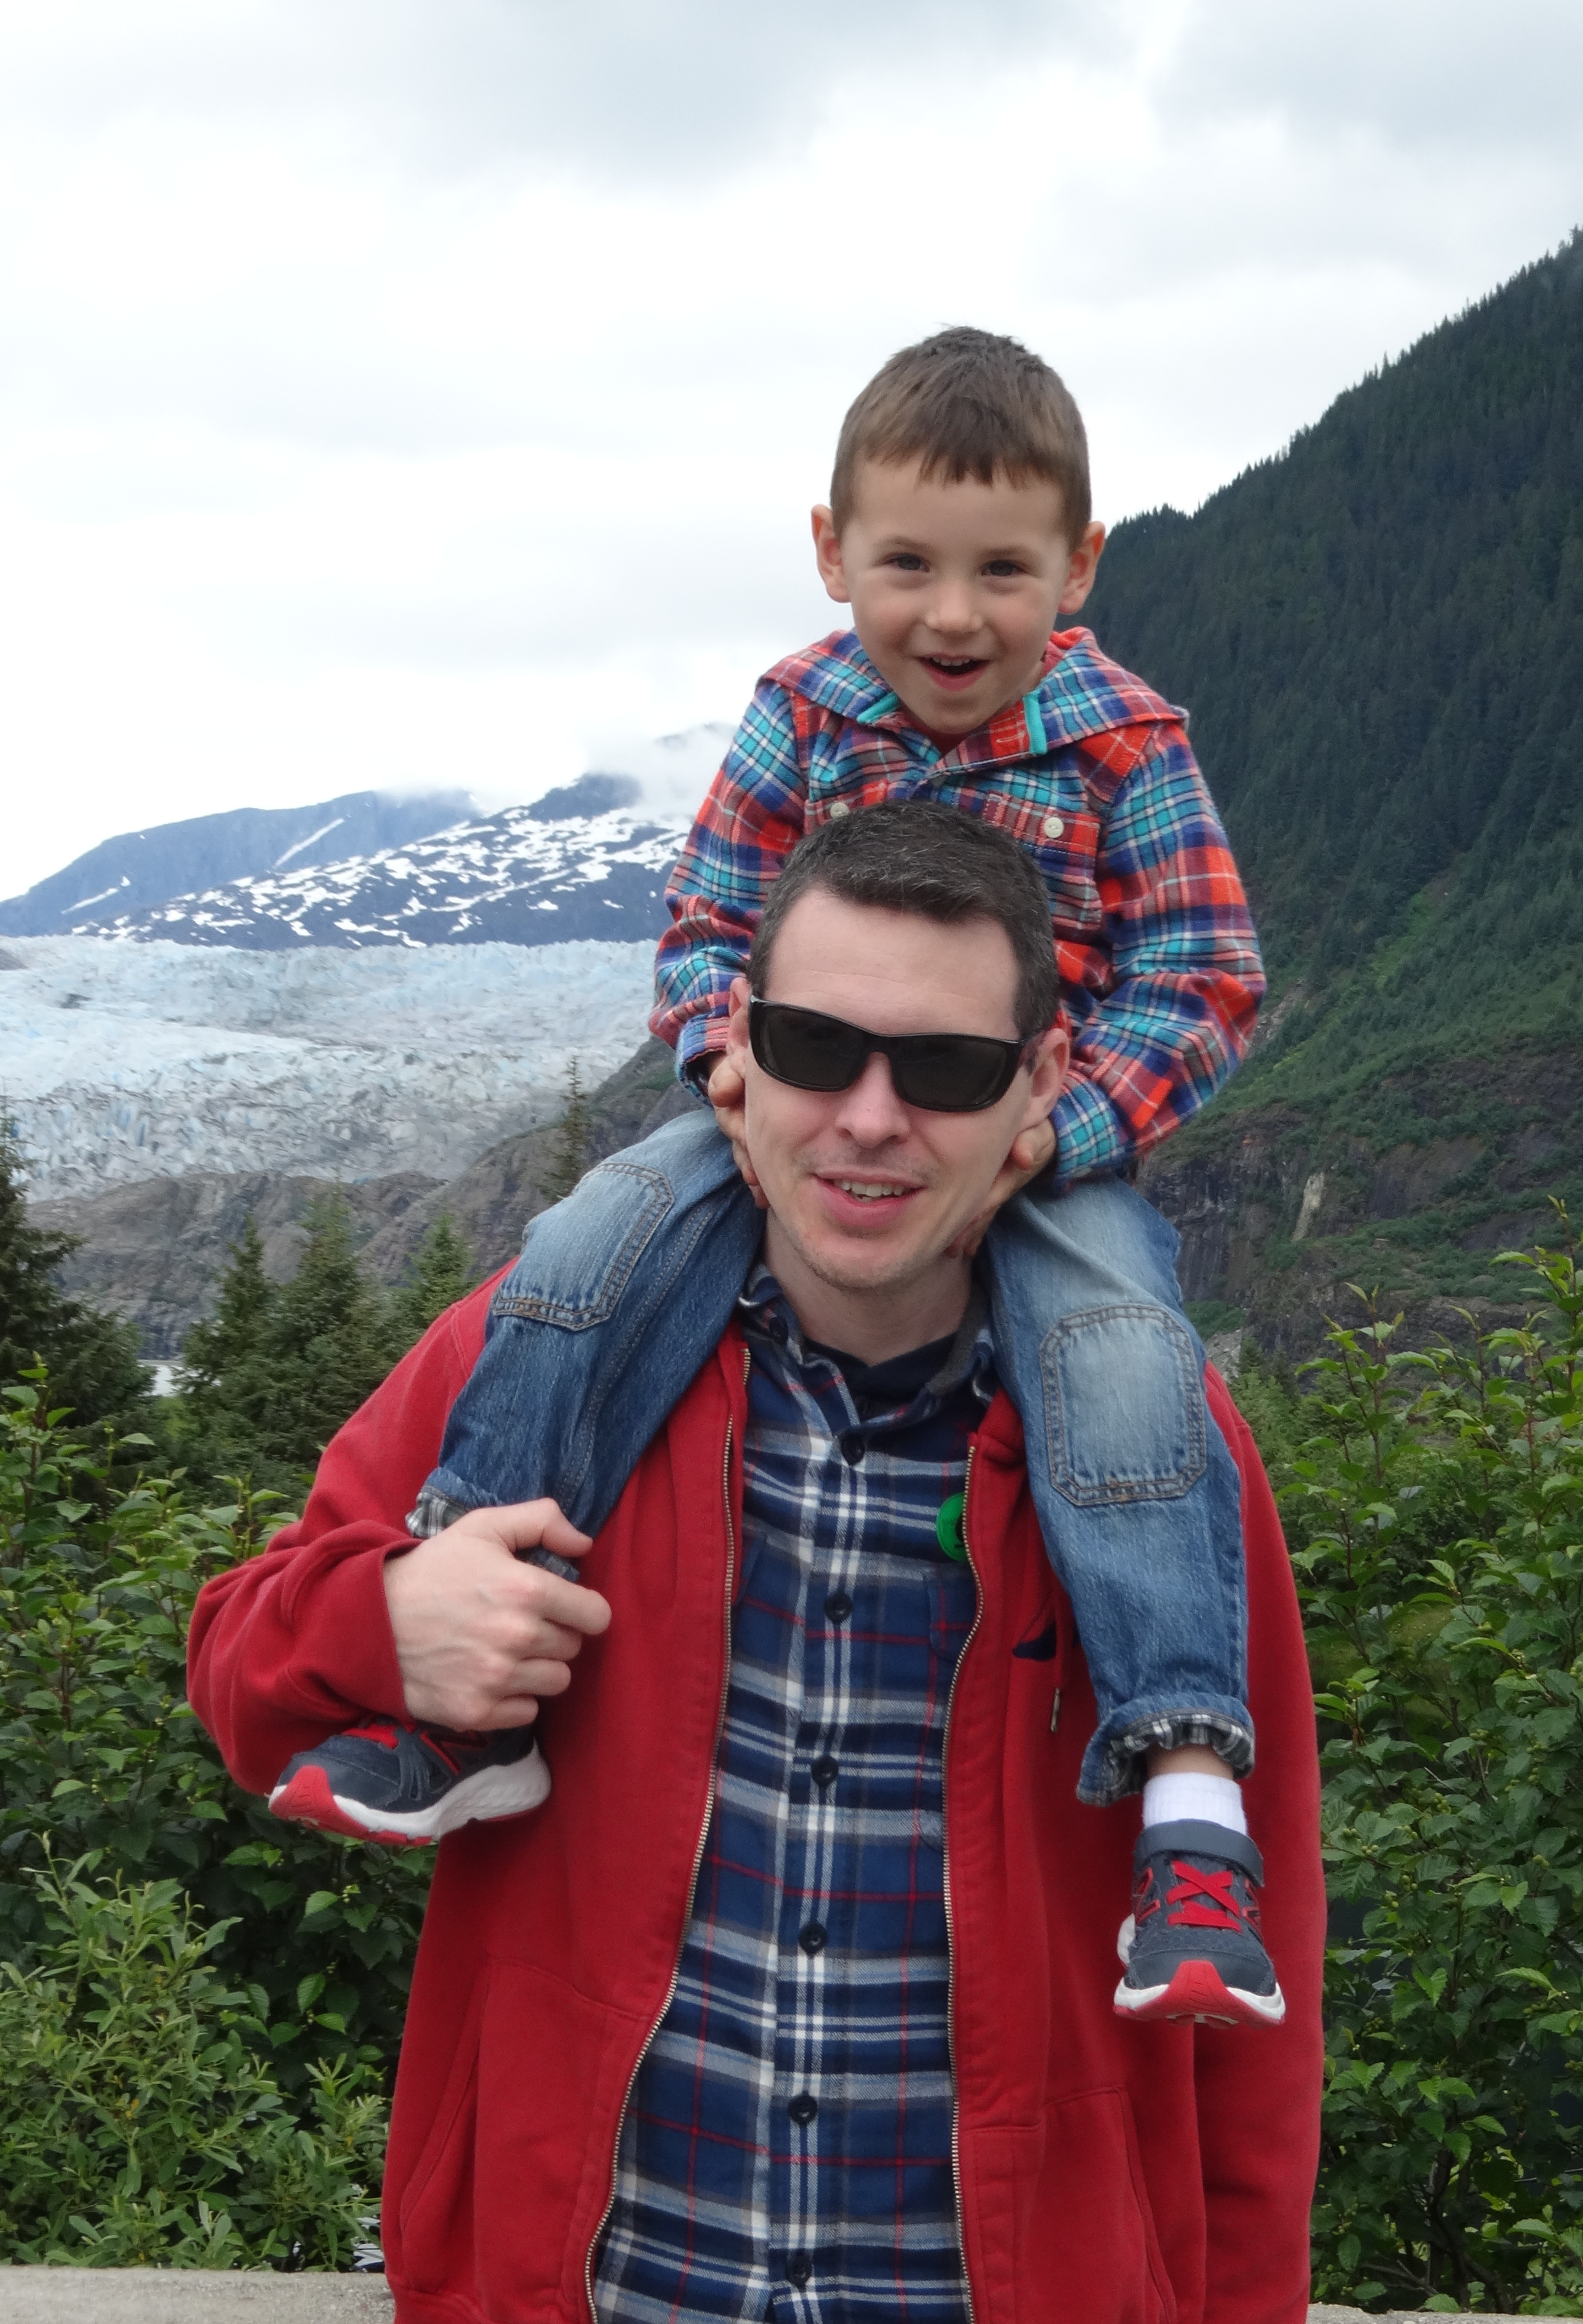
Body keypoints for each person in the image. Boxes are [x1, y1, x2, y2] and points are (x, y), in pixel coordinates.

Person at [188, 808, 1324, 2322]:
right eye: (813, 1046)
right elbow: (239, 1674)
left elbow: (1263, 1947)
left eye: (945, 1067)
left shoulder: (1153, 1449)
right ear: (735, 1045)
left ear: (1042, 1083)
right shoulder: (554, 1356)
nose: (869, 1118)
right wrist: (383, 1625)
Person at [272, 327, 1274, 2025]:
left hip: (1039, 1142)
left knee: (1124, 1359)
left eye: (1002, 569)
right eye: (909, 563)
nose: (952, 614)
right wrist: (729, 1069)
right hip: (777, 1117)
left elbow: (1202, 976)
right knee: (590, 1239)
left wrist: (1064, 1124)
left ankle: (1189, 1809)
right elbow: (706, 924)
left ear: (1081, 565)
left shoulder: (1127, 742)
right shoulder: (800, 712)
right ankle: (464, 1674)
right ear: (831, 548)